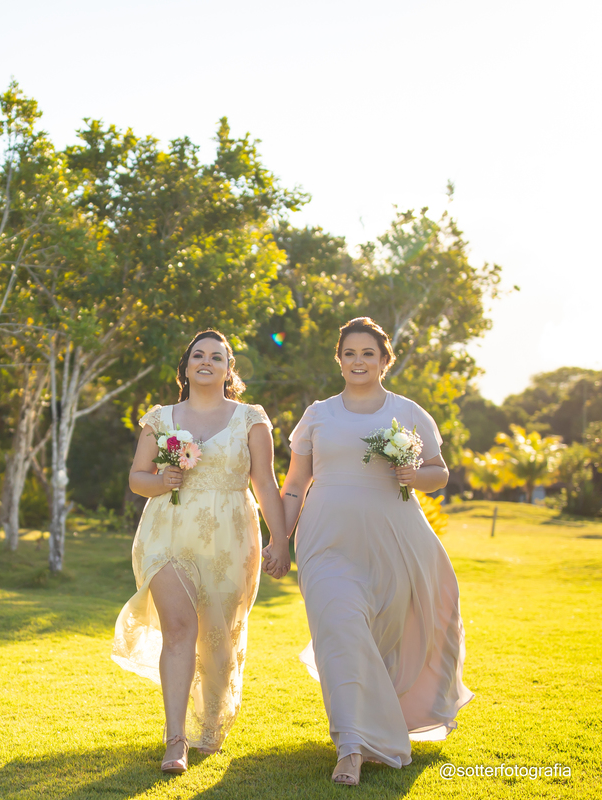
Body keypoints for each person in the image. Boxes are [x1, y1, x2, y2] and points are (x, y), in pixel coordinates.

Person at [264, 317, 474, 786]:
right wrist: (279, 539)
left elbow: (439, 471)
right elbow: (295, 484)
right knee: (340, 631)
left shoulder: (409, 412)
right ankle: (352, 747)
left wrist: (414, 476)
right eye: (350, 353)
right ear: (339, 360)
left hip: (395, 543)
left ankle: (379, 721)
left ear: (384, 360)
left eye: (368, 354)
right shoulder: (318, 414)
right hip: (325, 542)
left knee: (380, 642)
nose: (358, 361)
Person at [113, 330, 290, 774]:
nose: (206, 361)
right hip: (168, 531)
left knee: (217, 635)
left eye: (217, 357)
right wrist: (162, 481)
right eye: (198, 355)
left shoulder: (251, 418)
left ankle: (207, 724)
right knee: (178, 628)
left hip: (232, 538)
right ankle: (175, 740)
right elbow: (137, 478)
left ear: (229, 370)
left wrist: (281, 538)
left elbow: (265, 482)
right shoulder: (161, 418)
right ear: (187, 366)